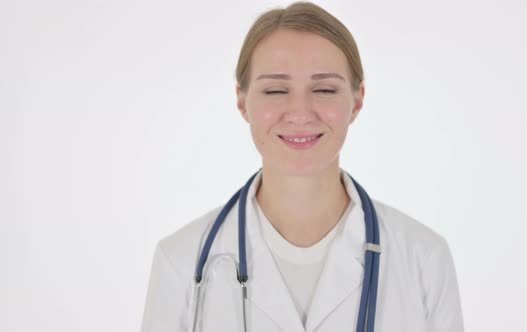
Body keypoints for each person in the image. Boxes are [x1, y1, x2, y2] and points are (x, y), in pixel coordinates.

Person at [141, 1, 464, 331]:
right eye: (275, 90)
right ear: (242, 100)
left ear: (357, 101)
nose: (300, 112)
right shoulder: (181, 262)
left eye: (324, 89)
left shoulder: (424, 259)